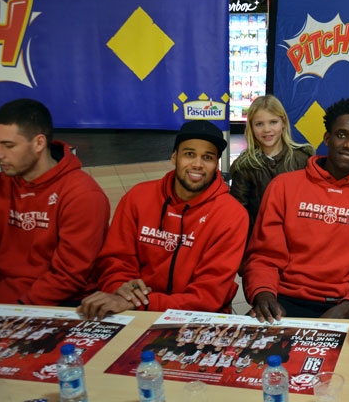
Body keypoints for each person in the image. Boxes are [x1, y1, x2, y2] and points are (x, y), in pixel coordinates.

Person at [243, 98, 349, 321]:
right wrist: (263, 294)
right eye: (342, 134)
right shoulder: (284, 186)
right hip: (283, 301)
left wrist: (347, 308)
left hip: (348, 305)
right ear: (327, 138)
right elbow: (264, 257)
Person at [78, 120, 248, 320]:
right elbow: (115, 261)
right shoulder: (138, 197)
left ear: (216, 165)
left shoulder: (231, 215)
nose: (197, 164)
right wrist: (121, 288)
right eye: (189, 154)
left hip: (195, 318)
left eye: (207, 157)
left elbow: (207, 297)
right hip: (132, 309)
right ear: (174, 157)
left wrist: (141, 303)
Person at [0, 98, 109, 306]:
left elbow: (68, 276)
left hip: (63, 303)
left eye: (8, 145)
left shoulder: (83, 194)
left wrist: (19, 312)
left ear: (39, 143)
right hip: (3, 295)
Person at [229, 95, 314, 239]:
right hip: (260, 243)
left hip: (297, 241)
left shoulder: (303, 159)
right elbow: (238, 214)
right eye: (259, 124)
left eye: (273, 122)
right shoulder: (244, 166)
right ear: (251, 127)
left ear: (283, 122)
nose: (267, 129)